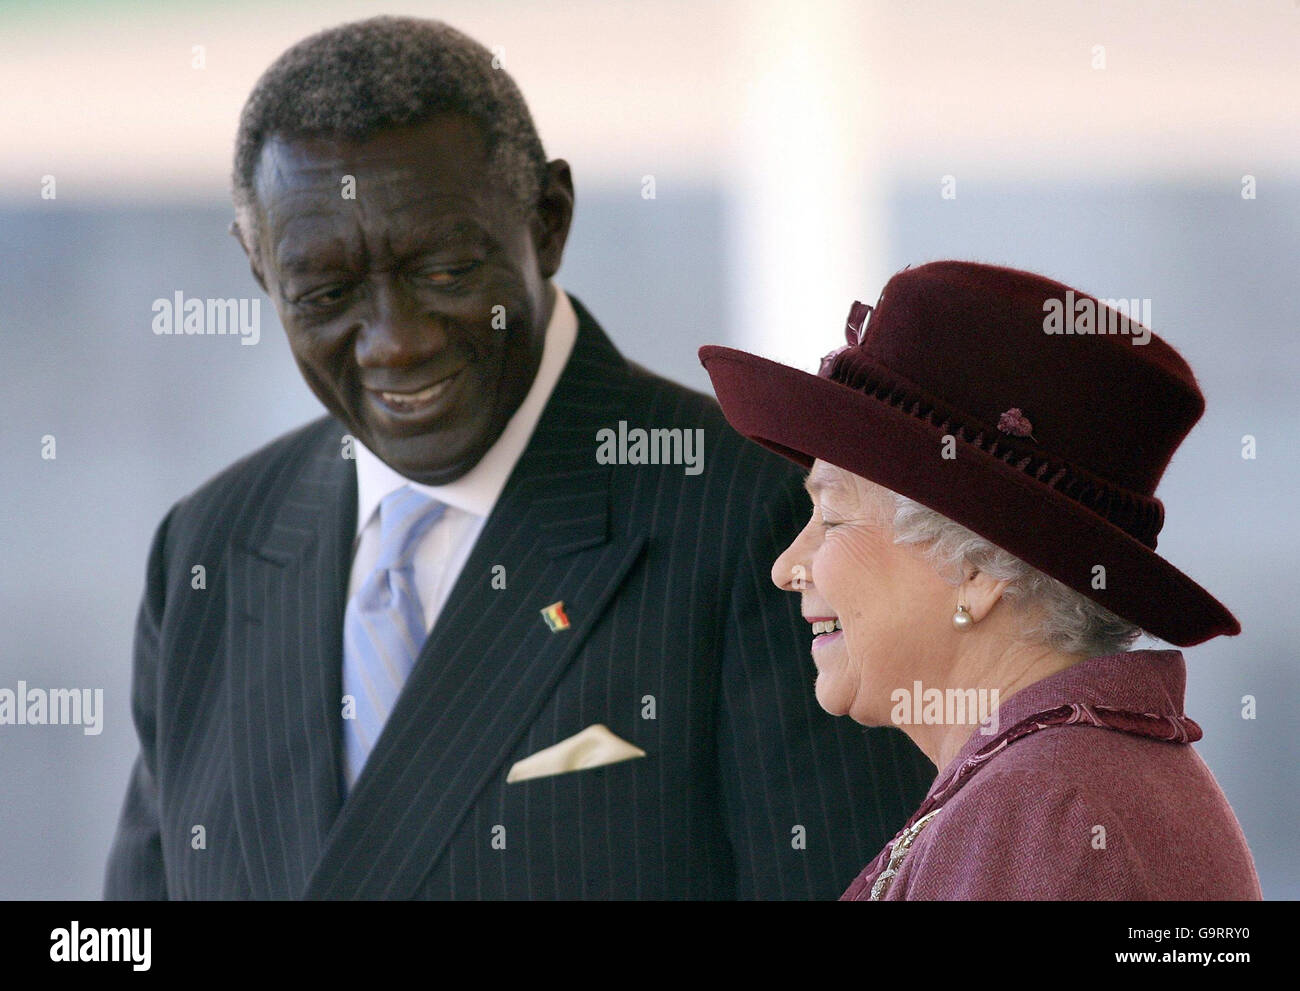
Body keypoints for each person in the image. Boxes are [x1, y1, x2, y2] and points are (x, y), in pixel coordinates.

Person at [102, 16, 931, 900]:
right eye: (328, 292)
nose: (395, 343)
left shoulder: (758, 519)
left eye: (446, 271)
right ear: (259, 266)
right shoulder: (209, 550)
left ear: (548, 221)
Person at [700, 260, 1263, 899]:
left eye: (832, 515)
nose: (786, 568)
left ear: (976, 570)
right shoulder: (1060, 782)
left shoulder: (1040, 811)